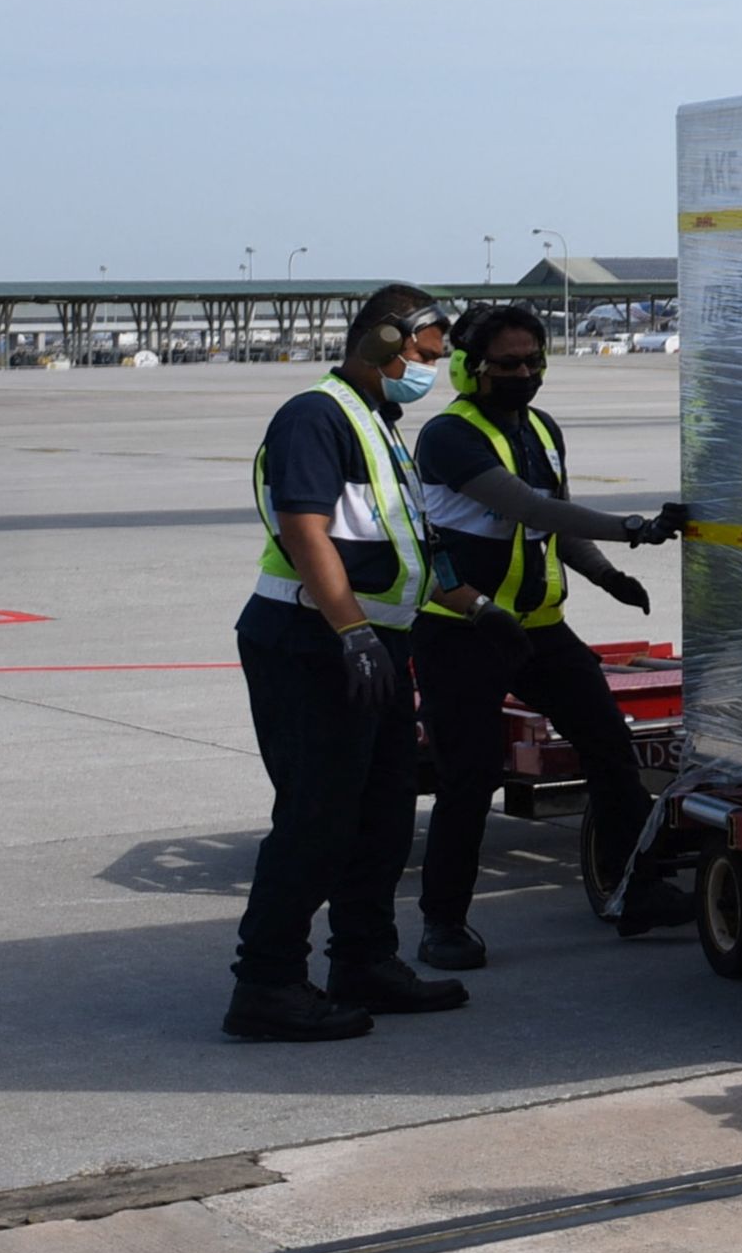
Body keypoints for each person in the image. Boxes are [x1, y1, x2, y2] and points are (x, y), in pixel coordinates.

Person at [408, 304, 696, 965]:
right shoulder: (451, 435)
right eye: (507, 364)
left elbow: (552, 528)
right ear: (469, 368)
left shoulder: (540, 425)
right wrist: (632, 525)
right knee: (470, 776)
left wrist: (605, 573)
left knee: (609, 745)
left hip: (536, 627)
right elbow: (526, 506)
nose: (524, 374)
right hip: (462, 630)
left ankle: (635, 888)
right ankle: (442, 923)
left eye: (533, 361)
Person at [226, 285, 469, 1040]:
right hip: (314, 640)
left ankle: (364, 959)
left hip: (373, 643)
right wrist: (353, 631)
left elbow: (408, 538)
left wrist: (473, 608)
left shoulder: (380, 425)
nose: (432, 371)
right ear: (381, 342)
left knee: (384, 813)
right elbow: (307, 532)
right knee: (316, 817)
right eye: (427, 356)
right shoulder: (315, 415)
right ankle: (266, 983)